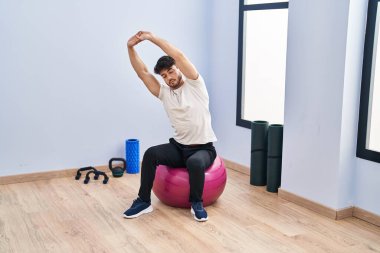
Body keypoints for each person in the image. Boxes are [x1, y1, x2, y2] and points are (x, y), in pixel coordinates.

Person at [124, 31, 217, 222]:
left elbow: (179, 56)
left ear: (179, 69)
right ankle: (143, 201)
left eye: (171, 71)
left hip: (203, 148)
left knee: (195, 163)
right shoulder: (163, 92)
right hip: (179, 147)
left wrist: (151, 38)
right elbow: (143, 73)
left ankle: (196, 202)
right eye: (165, 76)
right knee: (150, 153)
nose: (169, 78)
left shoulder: (195, 85)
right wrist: (130, 47)